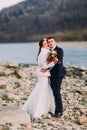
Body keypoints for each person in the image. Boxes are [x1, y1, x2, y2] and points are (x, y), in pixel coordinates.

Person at [21, 39, 57, 118]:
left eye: (47, 43)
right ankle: (38, 110)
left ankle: (43, 108)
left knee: (42, 89)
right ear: (42, 45)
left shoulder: (44, 51)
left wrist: (50, 63)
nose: (47, 44)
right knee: (42, 90)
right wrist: (53, 62)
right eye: (45, 43)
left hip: (41, 74)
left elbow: (42, 64)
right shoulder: (45, 52)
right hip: (42, 74)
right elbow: (43, 65)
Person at [47, 37, 65, 118]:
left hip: (58, 74)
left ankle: (59, 111)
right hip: (51, 74)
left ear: (54, 42)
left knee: (56, 92)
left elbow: (57, 62)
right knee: (52, 92)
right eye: (49, 42)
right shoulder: (48, 51)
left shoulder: (59, 50)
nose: (50, 43)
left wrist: (50, 52)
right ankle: (53, 108)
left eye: (52, 41)